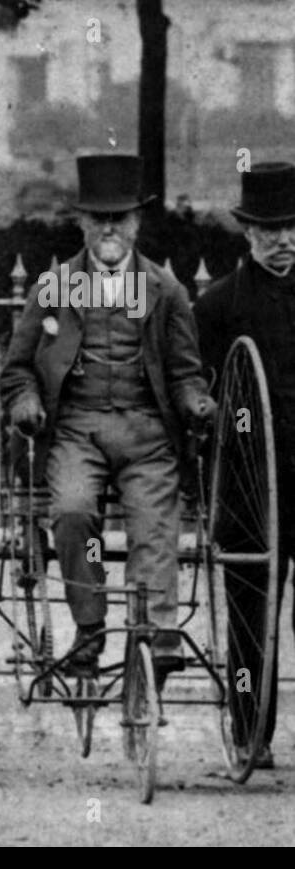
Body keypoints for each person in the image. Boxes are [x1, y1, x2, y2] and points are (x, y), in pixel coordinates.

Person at [0, 154, 216, 688]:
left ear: (138, 223)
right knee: (73, 513)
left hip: (147, 434)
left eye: (121, 218)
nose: (110, 229)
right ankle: (90, 627)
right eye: (99, 219)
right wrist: (25, 402)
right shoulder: (53, 287)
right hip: (77, 431)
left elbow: (187, 372)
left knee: (153, 525)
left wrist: (196, 401)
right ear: (82, 223)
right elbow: (16, 370)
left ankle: (154, 634)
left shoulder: (166, 291)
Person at [194, 160, 295, 770]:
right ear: (246, 233)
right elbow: (200, 396)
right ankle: (249, 732)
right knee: (250, 617)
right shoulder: (217, 306)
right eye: (269, 229)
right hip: (249, 483)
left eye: (290, 228)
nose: (282, 241)